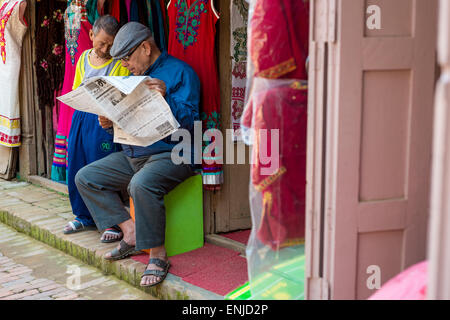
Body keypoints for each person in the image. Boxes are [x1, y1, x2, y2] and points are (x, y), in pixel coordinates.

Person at [75, 22, 200, 288]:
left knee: (140, 184)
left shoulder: (181, 73)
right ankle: (130, 233)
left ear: (145, 47)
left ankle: (158, 255)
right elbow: (129, 126)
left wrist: (166, 99)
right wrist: (110, 124)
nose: (126, 65)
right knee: (86, 177)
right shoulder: (129, 78)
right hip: (136, 155)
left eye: (127, 58)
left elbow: (191, 124)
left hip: (174, 154)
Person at [63, 15, 130, 245]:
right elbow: (76, 87)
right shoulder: (83, 58)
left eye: (110, 45)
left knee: (99, 163)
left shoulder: (119, 63)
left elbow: (120, 95)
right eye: (101, 43)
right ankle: (83, 216)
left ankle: (112, 220)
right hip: (82, 116)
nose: (105, 49)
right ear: (91, 35)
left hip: (103, 120)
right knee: (77, 162)